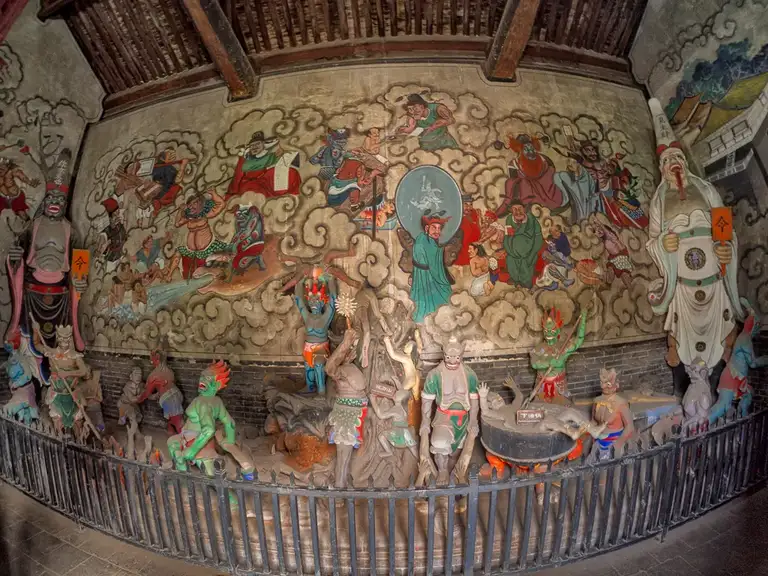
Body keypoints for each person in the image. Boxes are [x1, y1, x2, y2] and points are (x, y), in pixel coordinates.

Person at [645, 98, 743, 397]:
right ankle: (685, 384)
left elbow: (723, 223)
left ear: (684, 162)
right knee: (681, 332)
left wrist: (725, 247)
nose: (674, 163)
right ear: (662, 168)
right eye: (668, 160)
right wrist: (663, 243)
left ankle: (719, 382)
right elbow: (652, 239)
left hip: (713, 277)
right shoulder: (659, 200)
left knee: (722, 326)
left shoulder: (705, 188)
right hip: (683, 284)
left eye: (678, 158)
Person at [495, 134, 563, 214]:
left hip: (547, 187)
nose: (530, 151)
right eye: (526, 149)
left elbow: (552, 170)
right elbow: (513, 181)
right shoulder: (514, 163)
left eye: (531, 148)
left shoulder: (543, 159)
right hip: (528, 191)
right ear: (520, 150)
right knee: (518, 183)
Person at [227, 132, 301, 199]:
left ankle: (292, 195)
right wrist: (274, 156)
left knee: (291, 172)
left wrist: (283, 155)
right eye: (252, 145)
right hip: (250, 184)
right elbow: (247, 167)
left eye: (257, 144)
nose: (255, 147)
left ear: (263, 145)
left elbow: (273, 160)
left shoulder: (266, 156)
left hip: (263, 180)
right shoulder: (246, 160)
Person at [410, 211, 453, 323]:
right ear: (427, 228)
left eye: (439, 228)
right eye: (434, 228)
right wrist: (443, 250)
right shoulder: (423, 240)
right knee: (443, 292)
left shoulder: (427, 240)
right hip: (425, 276)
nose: (437, 231)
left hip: (425, 274)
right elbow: (431, 257)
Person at [175, 189, 228, 278]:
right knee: (187, 274)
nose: (191, 206)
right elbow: (177, 224)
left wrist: (213, 193)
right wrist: (180, 210)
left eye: (194, 203)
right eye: (189, 204)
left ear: (200, 203)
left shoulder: (205, 215)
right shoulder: (188, 218)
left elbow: (221, 204)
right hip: (191, 252)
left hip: (206, 251)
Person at [503, 203, 545, 289]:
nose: (518, 212)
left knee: (526, 265)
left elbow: (538, 236)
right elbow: (507, 236)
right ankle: (515, 279)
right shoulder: (509, 219)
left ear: (524, 209)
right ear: (511, 210)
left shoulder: (531, 219)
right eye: (515, 209)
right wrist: (508, 249)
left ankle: (525, 283)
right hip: (512, 252)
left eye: (520, 208)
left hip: (527, 252)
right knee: (510, 261)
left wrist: (533, 253)